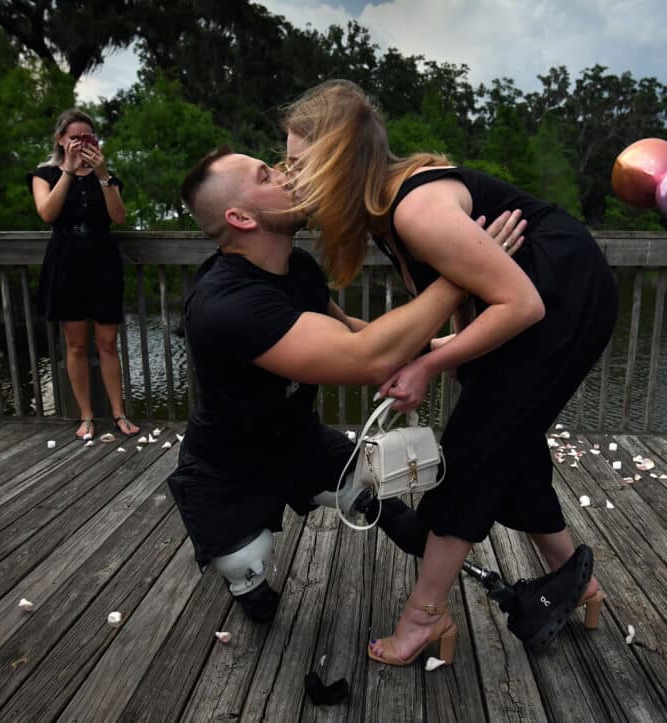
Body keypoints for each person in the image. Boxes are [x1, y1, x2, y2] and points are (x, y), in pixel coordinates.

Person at [171, 146, 593, 633]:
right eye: (267, 174)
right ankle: (245, 579)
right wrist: (471, 267)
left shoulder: (301, 270)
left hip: (300, 440)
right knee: (250, 569)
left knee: (412, 530)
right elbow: (368, 358)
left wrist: (446, 347)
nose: (288, 174)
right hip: (227, 467)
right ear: (241, 217)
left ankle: (526, 586)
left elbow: (351, 333)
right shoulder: (225, 306)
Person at [282, 80, 619, 666]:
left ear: (336, 160)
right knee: (506, 444)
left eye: (297, 165)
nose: (291, 181)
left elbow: (523, 304)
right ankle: (576, 582)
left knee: (474, 450)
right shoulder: (387, 212)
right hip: (547, 292)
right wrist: (443, 356)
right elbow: (467, 302)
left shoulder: (414, 209)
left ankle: (424, 618)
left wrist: (431, 364)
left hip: (560, 292)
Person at [28, 108, 139, 439]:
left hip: (103, 263)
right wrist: (68, 172)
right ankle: (87, 417)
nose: (80, 143)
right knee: (75, 345)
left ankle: (119, 414)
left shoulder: (106, 175)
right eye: (73, 137)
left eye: (87, 137)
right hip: (66, 264)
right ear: (61, 140)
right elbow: (47, 213)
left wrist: (102, 173)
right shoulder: (44, 175)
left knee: (107, 342)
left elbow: (118, 217)